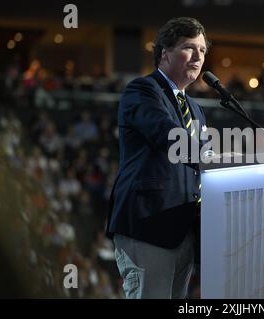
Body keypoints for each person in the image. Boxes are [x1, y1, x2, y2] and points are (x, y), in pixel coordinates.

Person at [106, 17, 210, 299]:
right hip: (147, 224)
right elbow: (169, 136)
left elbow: (205, 165)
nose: (199, 56)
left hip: (183, 230)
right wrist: (217, 156)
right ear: (165, 54)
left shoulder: (196, 109)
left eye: (203, 50)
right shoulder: (142, 90)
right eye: (190, 48)